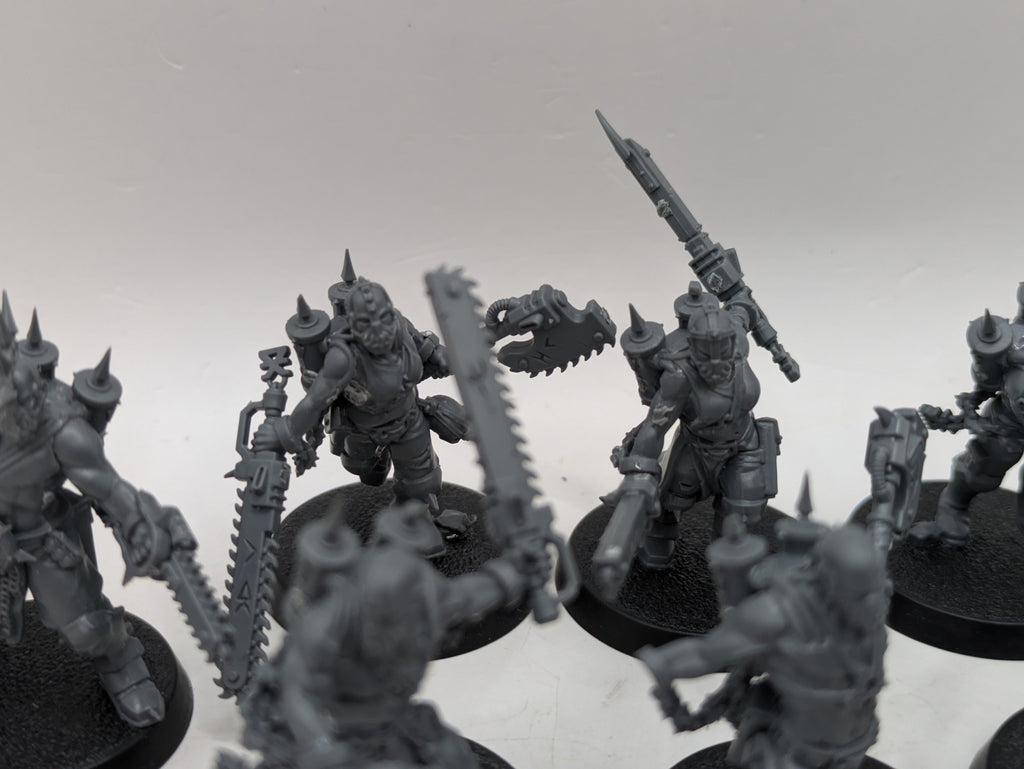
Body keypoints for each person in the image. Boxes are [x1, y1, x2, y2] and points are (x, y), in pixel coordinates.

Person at [0, 294, 182, 727]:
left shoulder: (61, 429)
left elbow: (109, 488)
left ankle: (121, 659)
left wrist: (139, 526)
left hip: (39, 537)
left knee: (86, 627)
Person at [638, 520, 889, 769]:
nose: (874, 600)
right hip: (800, 748)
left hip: (857, 741)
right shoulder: (779, 613)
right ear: (827, 576)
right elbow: (705, 654)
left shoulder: (870, 608)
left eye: (875, 588)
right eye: (860, 593)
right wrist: (664, 665)